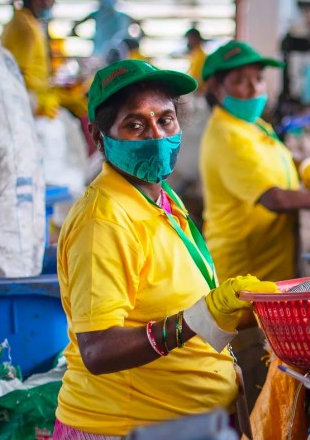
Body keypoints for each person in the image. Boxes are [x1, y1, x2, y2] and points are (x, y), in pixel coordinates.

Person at [55, 58, 277, 438]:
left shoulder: (159, 197)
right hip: (126, 426)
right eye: (135, 125)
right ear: (98, 135)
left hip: (184, 420)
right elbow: (98, 349)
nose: (155, 136)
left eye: (165, 120)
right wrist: (196, 319)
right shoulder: (104, 220)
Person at [198, 40, 310, 406]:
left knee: (268, 366)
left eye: (258, 79)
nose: (254, 88)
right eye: (240, 81)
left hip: (270, 265)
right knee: (252, 370)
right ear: (216, 89)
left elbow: (281, 172)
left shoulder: (253, 125)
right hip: (245, 271)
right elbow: (275, 198)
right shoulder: (228, 135)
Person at [1, 0, 65, 118]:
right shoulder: (26, 29)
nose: (53, 4)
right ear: (37, 1)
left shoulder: (22, 21)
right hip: (30, 102)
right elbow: (18, 73)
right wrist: (41, 104)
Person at [70, 0, 140, 59]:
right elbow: (75, 27)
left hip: (118, 56)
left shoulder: (123, 16)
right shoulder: (96, 15)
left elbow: (138, 25)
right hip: (99, 56)